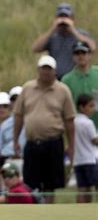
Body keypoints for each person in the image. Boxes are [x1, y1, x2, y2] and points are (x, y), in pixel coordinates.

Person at [13, 55, 76, 203]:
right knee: (31, 183)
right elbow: (18, 115)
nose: (46, 72)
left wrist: (71, 144)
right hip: (33, 142)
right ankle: (35, 210)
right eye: (43, 69)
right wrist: (15, 140)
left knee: (51, 183)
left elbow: (69, 120)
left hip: (53, 142)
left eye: (49, 69)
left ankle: (49, 210)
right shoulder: (28, 88)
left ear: (54, 71)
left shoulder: (62, 90)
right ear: (38, 70)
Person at [31, 3, 96, 79]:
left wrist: (73, 31)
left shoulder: (81, 34)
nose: (63, 20)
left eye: (66, 17)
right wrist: (53, 29)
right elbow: (35, 48)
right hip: (55, 78)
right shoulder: (52, 36)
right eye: (61, 17)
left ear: (72, 18)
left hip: (75, 78)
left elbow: (93, 47)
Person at [62, 41, 98, 130]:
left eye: (83, 53)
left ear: (89, 55)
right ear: (73, 57)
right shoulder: (67, 79)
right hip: (78, 128)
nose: (80, 56)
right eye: (77, 53)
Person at [72, 94, 98, 203]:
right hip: (90, 160)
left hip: (78, 160)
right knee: (95, 186)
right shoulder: (88, 123)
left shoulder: (74, 122)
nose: (92, 109)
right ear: (82, 107)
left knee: (82, 188)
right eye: (90, 106)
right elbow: (95, 140)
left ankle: (80, 209)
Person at [0, 87, 26, 173]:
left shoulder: (32, 121)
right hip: (8, 160)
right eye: (14, 99)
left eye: (20, 98)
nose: (17, 102)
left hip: (27, 160)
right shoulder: (5, 124)